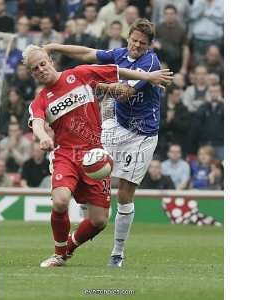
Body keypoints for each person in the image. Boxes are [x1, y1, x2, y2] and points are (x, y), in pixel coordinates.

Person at [22, 44, 172, 267]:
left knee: (99, 221)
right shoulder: (41, 100)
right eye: (35, 68)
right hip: (66, 156)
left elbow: (116, 71)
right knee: (61, 201)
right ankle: (57, 253)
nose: (41, 69)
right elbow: (37, 123)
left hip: (95, 155)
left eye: (43, 63)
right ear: (32, 74)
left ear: (51, 61)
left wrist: (147, 76)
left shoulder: (79, 74)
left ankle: (68, 248)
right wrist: (43, 136)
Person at [189, 83, 224, 160]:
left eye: (216, 91)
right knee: (204, 167)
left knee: (221, 167)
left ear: (220, 93)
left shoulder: (223, 107)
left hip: (221, 144)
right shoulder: (203, 107)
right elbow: (196, 126)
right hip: (204, 143)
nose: (214, 94)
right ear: (208, 93)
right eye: (211, 92)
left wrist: (222, 103)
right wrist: (206, 104)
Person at [153, 4, 190, 74]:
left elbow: (185, 49)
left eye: (171, 14)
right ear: (163, 15)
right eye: (167, 14)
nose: (169, 16)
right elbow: (151, 44)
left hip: (176, 61)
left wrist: (184, 67)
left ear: (176, 15)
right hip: (161, 60)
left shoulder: (181, 30)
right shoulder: (158, 28)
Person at [158, 84, 191, 158]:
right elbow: (156, 126)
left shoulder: (183, 108)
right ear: (169, 95)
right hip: (161, 145)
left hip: (178, 144)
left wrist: (173, 119)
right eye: (176, 95)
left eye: (179, 95)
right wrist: (167, 121)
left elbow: (186, 126)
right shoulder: (160, 107)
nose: (178, 97)